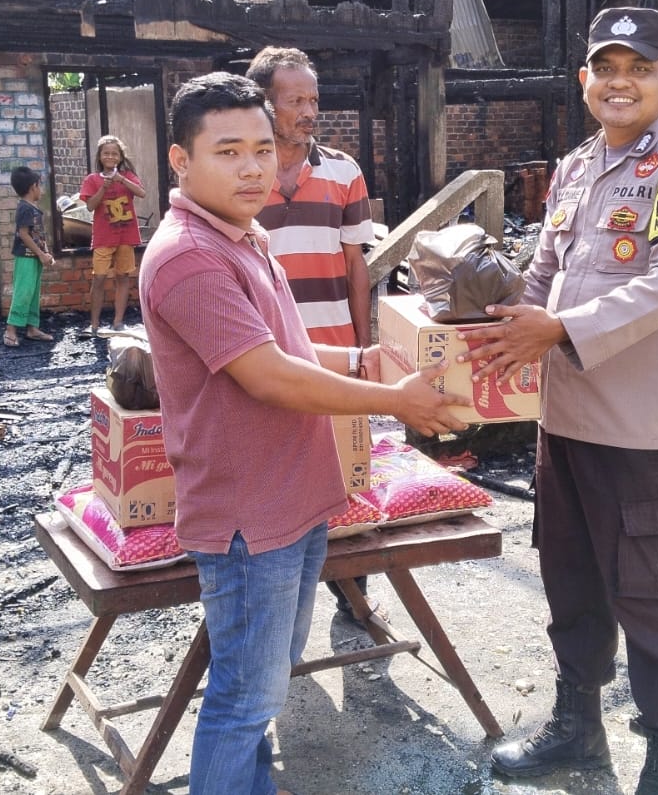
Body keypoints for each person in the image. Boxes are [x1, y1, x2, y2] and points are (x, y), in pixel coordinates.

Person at [140, 71, 468, 795]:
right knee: (244, 696)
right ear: (179, 161)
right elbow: (269, 377)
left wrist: (360, 356)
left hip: (291, 501)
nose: (253, 167)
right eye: (228, 151)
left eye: (262, 148)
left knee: (266, 683)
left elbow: (284, 346)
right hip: (248, 517)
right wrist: (394, 398)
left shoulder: (241, 233)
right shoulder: (188, 255)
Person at [458, 7, 658, 794]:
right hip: (564, 420)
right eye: (605, 68)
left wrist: (557, 327)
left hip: (637, 430)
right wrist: (497, 311)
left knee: (649, 597)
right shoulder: (577, 166)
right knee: (570, 583)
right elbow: (544, 269)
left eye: (638, 69)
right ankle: (577, 729)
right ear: (585, 81)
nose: (620, 82)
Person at [246, 45, 378, 621]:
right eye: (295, 99)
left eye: (314, 99)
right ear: (264, 103)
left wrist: (361, 345)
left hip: (338, 356)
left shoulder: (344, 172)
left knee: (347, 475)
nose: (309, 110)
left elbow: (357, 266)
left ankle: (354, 597)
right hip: (268, 359)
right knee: (275, 477)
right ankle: (275, 609)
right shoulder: (242, 178)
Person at [81, 134, 146, 334]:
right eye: (106, 153)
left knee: (123, 276)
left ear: (120, 157)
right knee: (99, 278)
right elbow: (91, 206)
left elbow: (142, 193)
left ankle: (118, 321)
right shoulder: (92, 179)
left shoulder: (127, 176)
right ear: (100, 157)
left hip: (126, 236)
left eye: (114, 154)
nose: (110, 157)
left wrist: (121, 180)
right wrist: (104, 187)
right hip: (103, 237)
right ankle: (94, 324)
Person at [4, 165, 56, 347]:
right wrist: (42, 254)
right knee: (23, 292)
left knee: (33, 293)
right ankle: (10, 330)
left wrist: (45, 253)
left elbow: (38, 235)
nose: (40, 190)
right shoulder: (25, 209)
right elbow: (24, 234)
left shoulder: (32, 208)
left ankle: (32, 328)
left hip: (34, 256)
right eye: (39, 186)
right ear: (33, 187)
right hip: (26, 257)